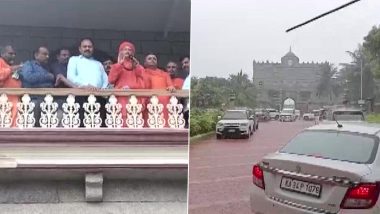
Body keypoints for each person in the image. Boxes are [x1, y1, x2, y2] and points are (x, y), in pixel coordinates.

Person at [67, 38, 109, 127]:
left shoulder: (98, 64)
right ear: (80, 49)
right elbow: (71, 77)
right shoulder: (74, 60)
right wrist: (86, 86)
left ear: (93, 49)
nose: (87, 48)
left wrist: (102, 90)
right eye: (84, 46)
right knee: (82, 127)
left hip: (99, 97)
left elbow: (105, 80)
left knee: (100, 127)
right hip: (81, 97)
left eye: (89, 47)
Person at [108, 41, 146, 127]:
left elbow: (144, 80)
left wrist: (137, 66)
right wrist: (120, 64)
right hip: (121, 98)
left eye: (130, 50)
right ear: (121, 52)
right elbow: (111, 80)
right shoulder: (116, 66)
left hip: (135, 97)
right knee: (123, 121)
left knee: (135, 122)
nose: (127, 51)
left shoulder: (137, 67)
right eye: (125, 49)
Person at [19, 46, 55, 127]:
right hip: (33, 98)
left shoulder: (47, 67)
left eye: (48, 54)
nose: (47, 57)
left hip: (47, 98)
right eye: (44, 54)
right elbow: (29, 77)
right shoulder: (28, 64)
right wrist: (47, 76)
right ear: (36, 55)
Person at [144, 54, 175, 127]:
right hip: (148, 103)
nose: (152, 59)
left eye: (154, 58)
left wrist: (171, 87)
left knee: (164, 125)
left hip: (163, 103)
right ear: (145, 63)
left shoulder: (165, 74)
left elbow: (170, 86)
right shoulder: (142, 72)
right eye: (149, 58)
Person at [50, 48, 76, 126]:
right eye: (64, 55)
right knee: (60, 124)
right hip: (59, 100)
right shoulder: (55, 66)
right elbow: (60, 77)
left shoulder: (71, 66)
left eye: (68, 55)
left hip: (72, 99)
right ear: (58, 56)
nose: (66, 57)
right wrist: (77, 87)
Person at [0, 45, 23, 127]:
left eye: (14, 54)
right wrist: (11, 69)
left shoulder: (10, 65)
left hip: (15, 97)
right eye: (10, 53)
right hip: (4, 98)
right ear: (2, 54)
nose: (13, 56)